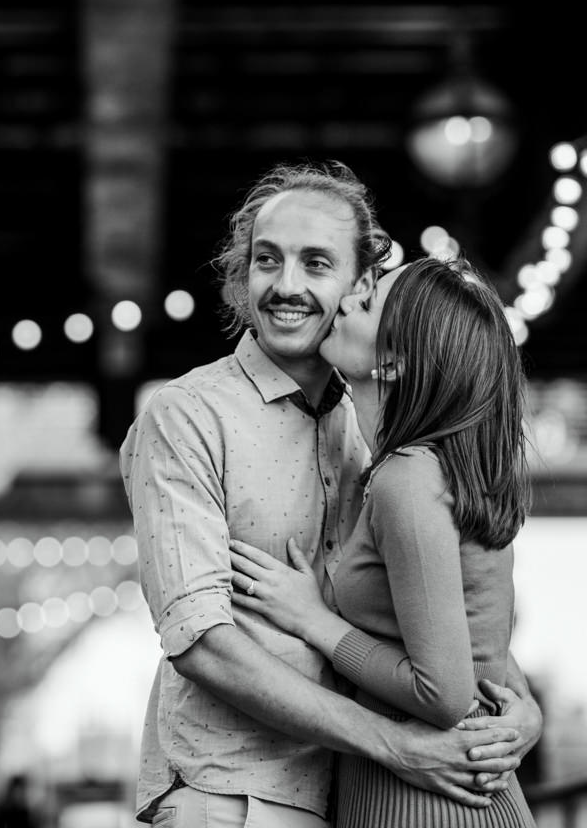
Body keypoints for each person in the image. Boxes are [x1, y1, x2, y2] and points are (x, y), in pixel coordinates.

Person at [121, 159, 541, 828]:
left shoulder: (378, 429)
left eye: (316, 264)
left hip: (357, 794)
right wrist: (397, 745)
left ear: (361, 283)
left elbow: (427, 602)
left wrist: (520, 705)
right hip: (236, 793)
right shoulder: (187, 415)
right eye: (267, 260)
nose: (286, 286)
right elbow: (199, 642)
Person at [230, 255, 537, 825]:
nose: (346, 300)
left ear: (395, 360)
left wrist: (314, 620)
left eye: (367, 305)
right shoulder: (435, 469)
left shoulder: (408, 479)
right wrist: (529, 713)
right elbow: (478, 642)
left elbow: (443, 693)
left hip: (428, 803)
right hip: (443, 788)